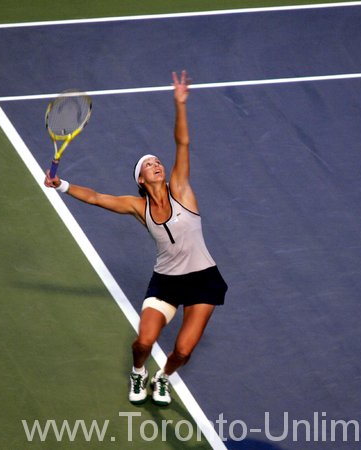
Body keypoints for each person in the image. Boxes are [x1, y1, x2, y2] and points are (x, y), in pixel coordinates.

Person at [44, 71, 227, 406]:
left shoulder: (182, 191)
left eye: (158, 162)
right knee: (143, 342)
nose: (157, 165)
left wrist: (180, 104)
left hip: (203, 280)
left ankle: (162, 378)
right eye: (149, 165)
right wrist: (63, 186)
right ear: (141, 179)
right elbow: (98, 197)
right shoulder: (137, 207)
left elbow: (182, 144)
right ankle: (139, 372)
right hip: (166, 282)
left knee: (183, 350)